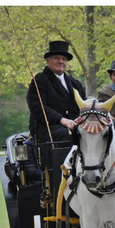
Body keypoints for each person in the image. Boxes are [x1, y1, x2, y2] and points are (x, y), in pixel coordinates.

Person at [25, 39, 85, 197]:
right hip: (47, 128)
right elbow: (38, 108)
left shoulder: (75, 83)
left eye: (64, 59)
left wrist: (77, 120)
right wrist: (62, 120)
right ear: (48, 60)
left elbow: (82, 106)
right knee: (62, 134)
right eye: (57, 58)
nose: (61, 61)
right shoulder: (39, 80)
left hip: (73, 125)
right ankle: (63, 179)